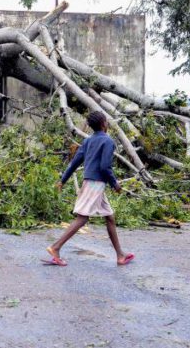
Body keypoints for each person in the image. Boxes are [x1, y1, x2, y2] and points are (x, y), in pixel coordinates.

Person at [45, 111, 135, 266]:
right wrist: (115, 184)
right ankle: (55, 247)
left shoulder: (88, 141)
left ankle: (120, 255)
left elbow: (74, 163)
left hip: (91, 183)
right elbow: (105, 167)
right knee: (83, 218)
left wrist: (63, 181)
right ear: (103, 124)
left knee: (109, 217)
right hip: (96, 185)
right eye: (106, 121)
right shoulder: (108, 141)